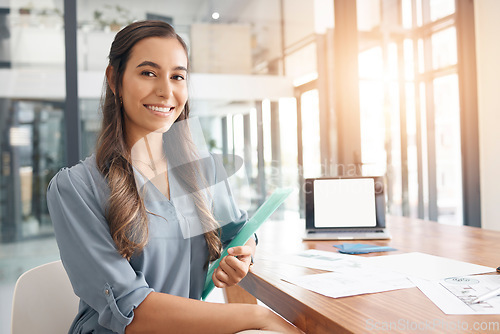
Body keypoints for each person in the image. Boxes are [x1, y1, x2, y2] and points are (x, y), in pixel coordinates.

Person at [46, 20, 301, 334]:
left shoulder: (201, 170)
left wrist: (242, 255)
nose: (166, 91)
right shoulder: (76, 187)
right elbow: (132, 311)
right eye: (148, 73)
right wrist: (259, 318)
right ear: (115, 80)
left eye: (177, 76)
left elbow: (238, 233)